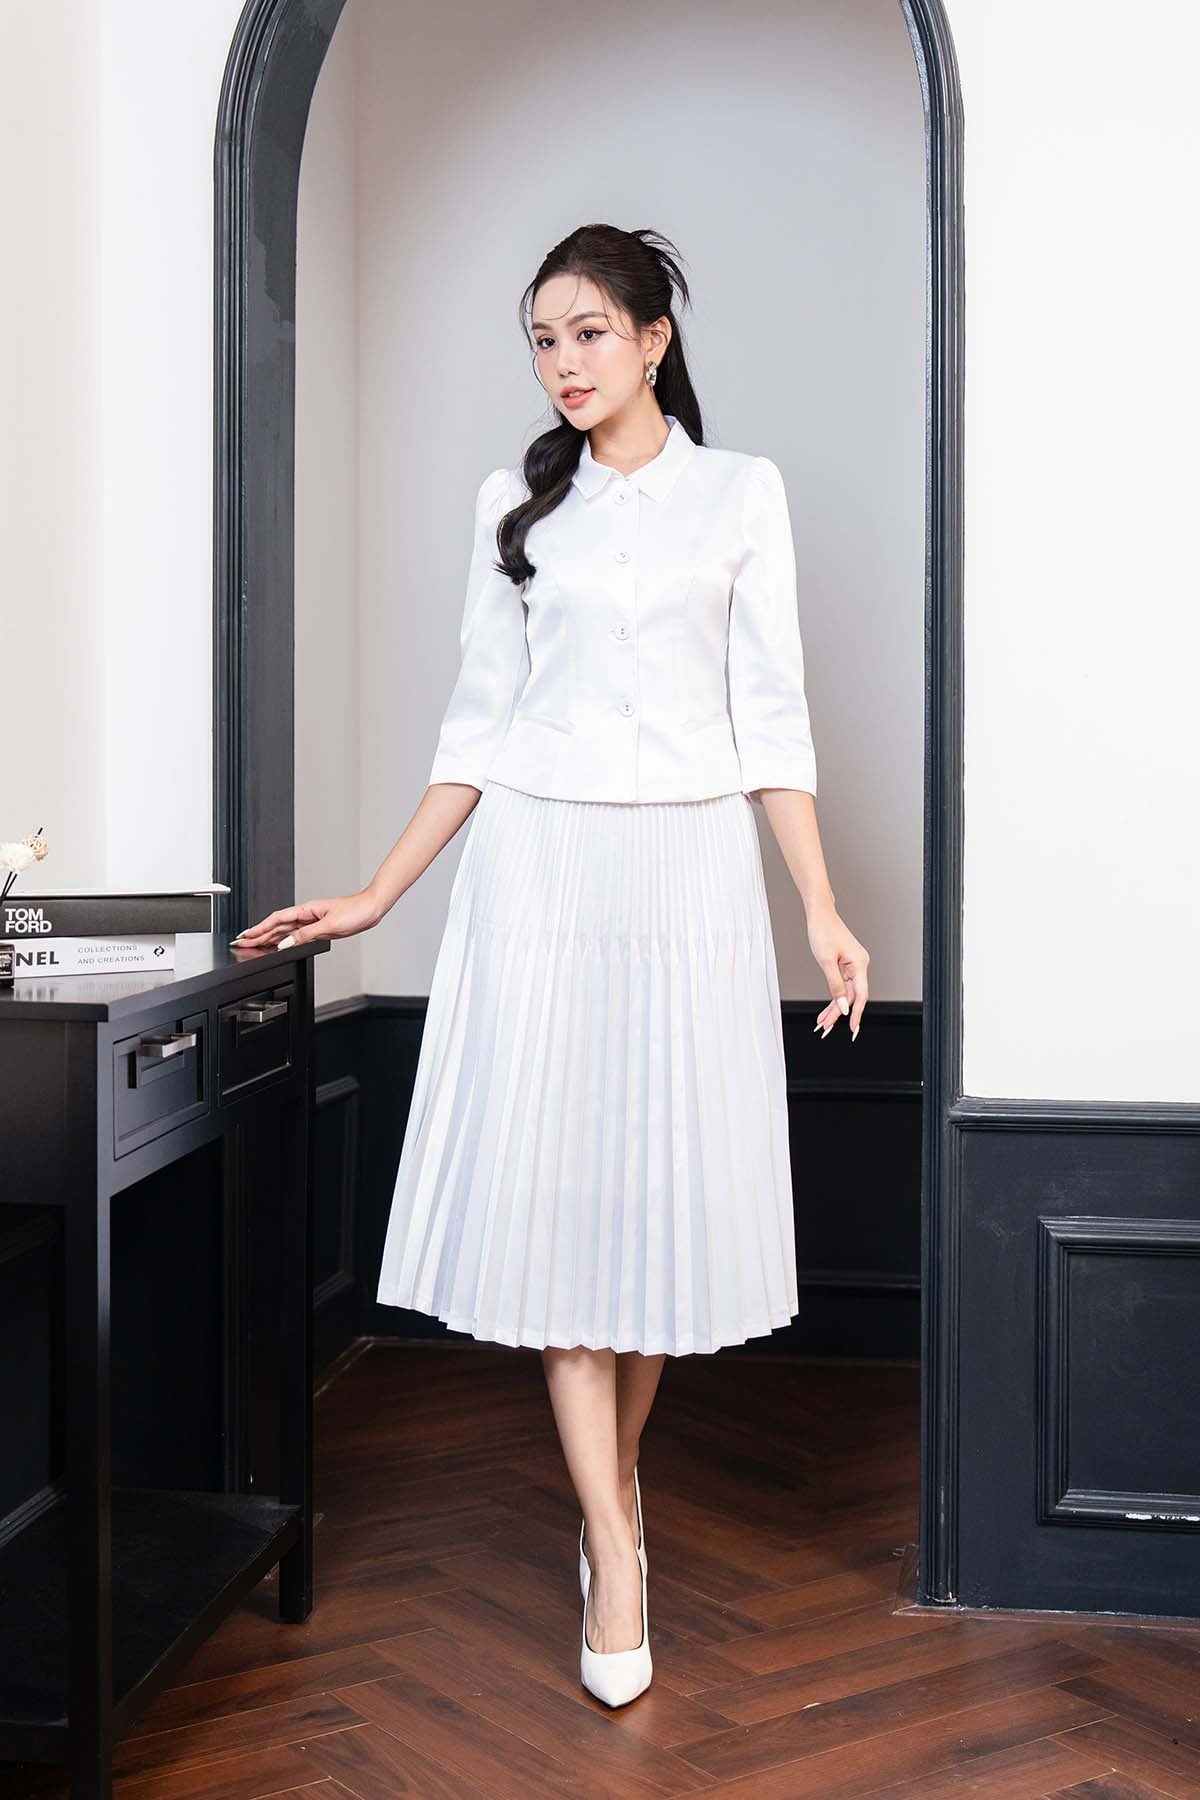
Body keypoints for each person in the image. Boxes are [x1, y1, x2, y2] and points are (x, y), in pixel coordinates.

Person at [231, 223, 871, 1708]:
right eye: (541, 339)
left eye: (587, 333)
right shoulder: (514, 508)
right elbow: (478, 726)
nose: (562, 363)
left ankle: (610, 1490)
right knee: (565, 1221)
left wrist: (823, 909)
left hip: (691, 874)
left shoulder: (744, 494)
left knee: (654, 1218)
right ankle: (615, 1546)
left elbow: (771, 719)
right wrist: (379, 893)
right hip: (538, 874)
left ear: (653, 339)